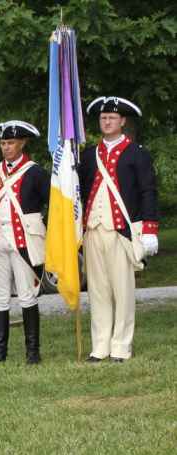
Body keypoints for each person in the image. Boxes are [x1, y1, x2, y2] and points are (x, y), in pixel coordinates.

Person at [78, 96, 159, 362]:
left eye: (112, 117)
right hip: (93, 229)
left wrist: (149, 229)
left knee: (122, 291)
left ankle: (121, 346)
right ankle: (100, 345)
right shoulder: (89, 155)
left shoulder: (137, 153)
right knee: (98, 290)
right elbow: (79, 192)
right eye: (103, 118)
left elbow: (148, 192)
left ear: (122, 121)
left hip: (122, 231)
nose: (107, 121)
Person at [0, 121, 50, 364]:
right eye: (2, 143)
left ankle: (33, 352)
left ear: (22, 143)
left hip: (24, 242)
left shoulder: (36, 173)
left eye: (10, 143)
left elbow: (52, 205)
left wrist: (46, 231)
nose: (6, 148)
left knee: (27, 295)